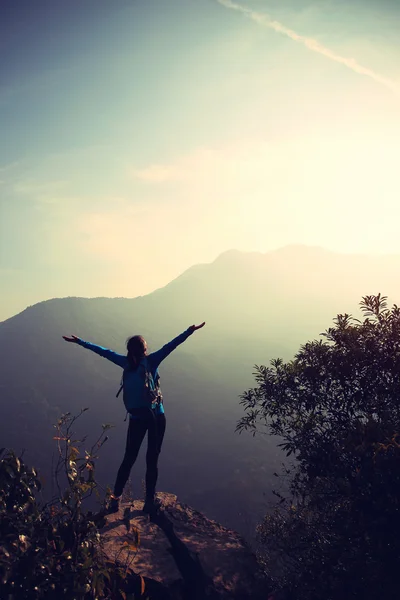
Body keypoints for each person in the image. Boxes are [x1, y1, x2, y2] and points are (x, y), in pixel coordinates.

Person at [62, 323, 205, 514]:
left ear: (129, 350)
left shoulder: (125, 363)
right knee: (152, 459)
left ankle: (115, 500)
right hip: (156, 416)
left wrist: (80, 341)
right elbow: (171, 346)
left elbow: (103, 351)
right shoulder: (152, 361)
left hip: (136, 418)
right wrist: (189, 331)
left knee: (128, 458)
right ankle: (149, 502)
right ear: (145, 350)